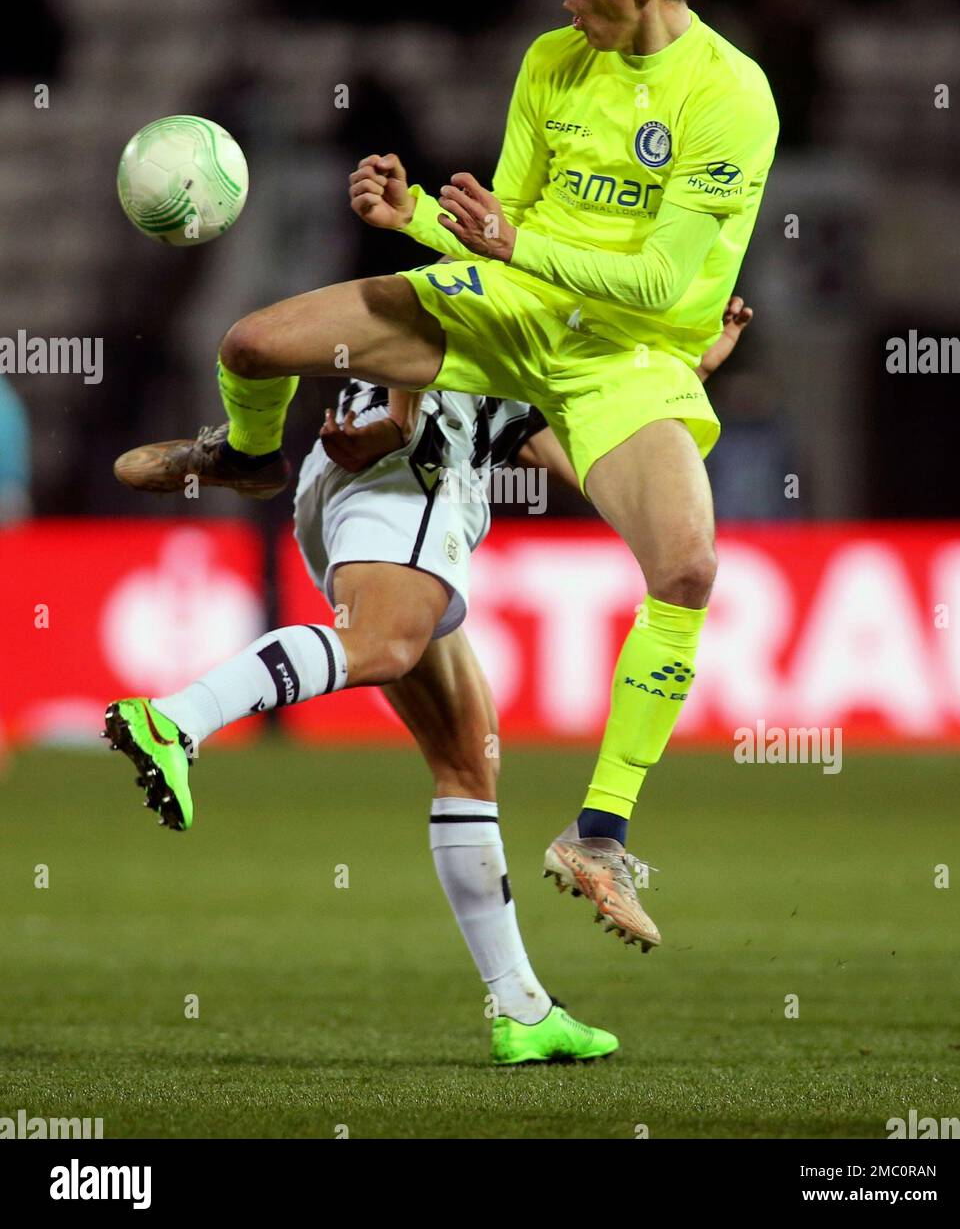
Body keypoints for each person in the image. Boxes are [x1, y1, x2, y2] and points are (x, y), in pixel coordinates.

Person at [114, 0, 778, 952]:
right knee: (253, 343)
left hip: (625, 356)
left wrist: (518, 248)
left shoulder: (730, 94)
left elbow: (658, 284)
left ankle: (600, 831)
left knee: (688, 570)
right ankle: (247, 454)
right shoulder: (551, 62)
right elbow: (498, 225)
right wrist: (418, 213)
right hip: (505, 311)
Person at [106, 297, 750, 1065]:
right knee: (381, 644)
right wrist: (402, 421)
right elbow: (431, 323)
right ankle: (175, 720)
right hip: (411, 474)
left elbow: (595, 464)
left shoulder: (551, 378)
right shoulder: (531, 297)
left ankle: (522, 1009)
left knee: (466, 760)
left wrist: (684, 377)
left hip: (360, 488)